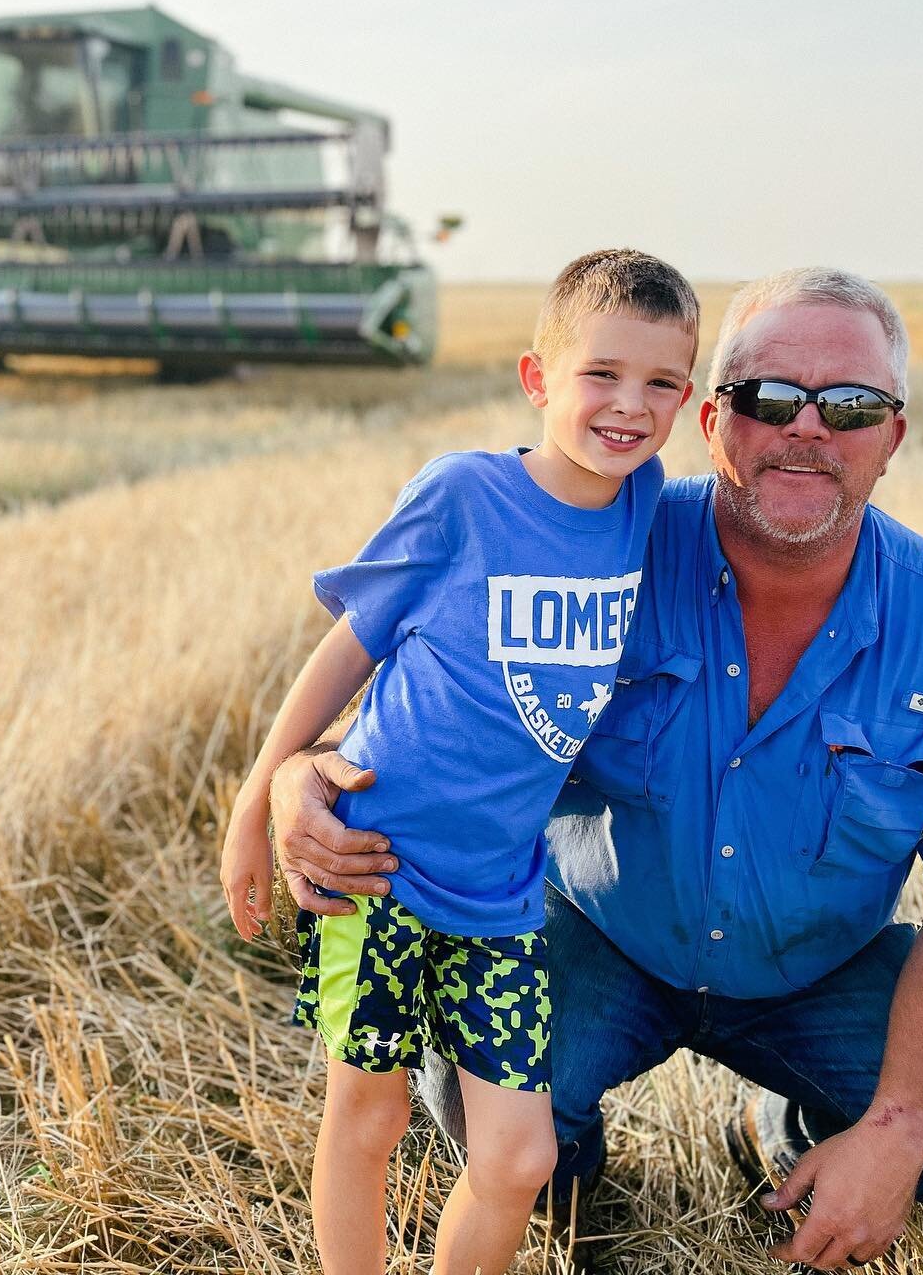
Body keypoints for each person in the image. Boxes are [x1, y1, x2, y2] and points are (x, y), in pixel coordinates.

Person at [268, 268, 923, 1272]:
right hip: (601, 935)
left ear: (892, 438)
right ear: (716, 419)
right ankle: (567, 1164)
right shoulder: (598, 548)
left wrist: (900, 1129)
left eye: (852, 406)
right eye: (771, 399)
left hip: (819, 974)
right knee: (487, 1123)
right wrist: (307, 772)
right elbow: (434, 702)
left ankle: (795, 1125)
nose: (808, 430)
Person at [219, 250, 700, 1275]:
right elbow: (352, 641)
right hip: (375, 864)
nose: (629, 406)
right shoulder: (465, 497)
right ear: (538, 381)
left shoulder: (642, 501)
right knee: (371, 1117)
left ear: (688, 400)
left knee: (520, 1157)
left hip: (501, 893)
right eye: (601, 375)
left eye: (661, 383)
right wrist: (261, 791)